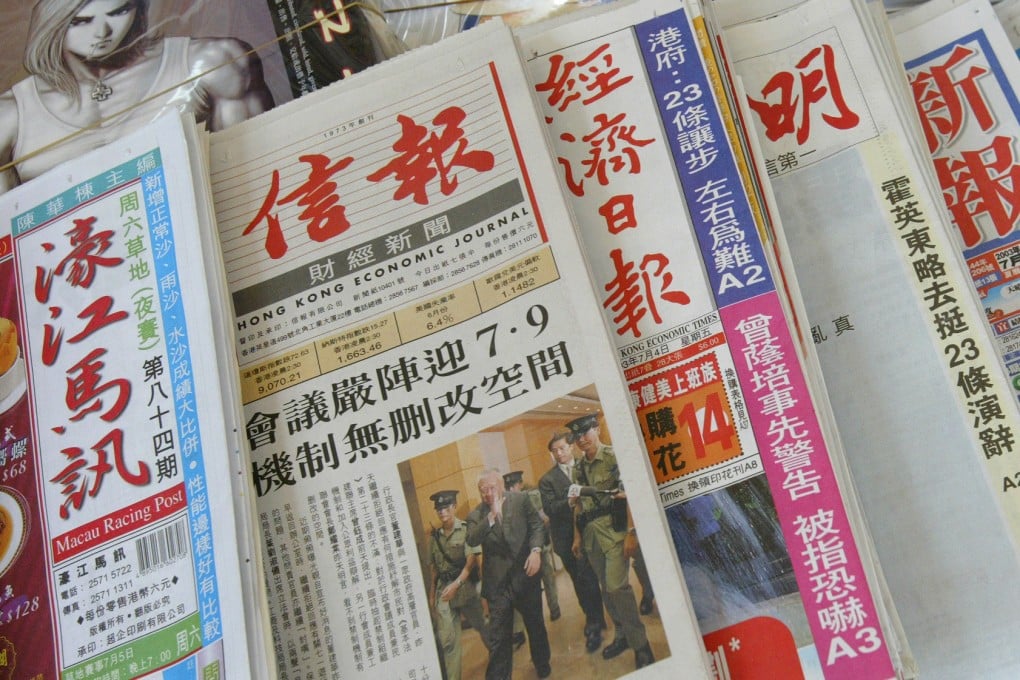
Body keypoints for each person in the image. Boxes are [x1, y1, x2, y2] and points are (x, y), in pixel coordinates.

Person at [0, 0, 275, 193]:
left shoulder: (215, 64)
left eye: (118, 12)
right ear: (52, 22)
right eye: (81, 21)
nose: (102, 32)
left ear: (138, 8)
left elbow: (259, 180)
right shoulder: (10, 116)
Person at [567, 412, 655, 670]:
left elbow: (632, 496)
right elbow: (579, 505)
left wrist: (631, 532)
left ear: (597, 430)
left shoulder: (614, 457)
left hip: (615, 532)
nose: (582, 439)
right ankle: (623, 635)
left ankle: (642, 646)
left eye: (586, 432)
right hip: (593, 537)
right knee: (606, 590)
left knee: (618, 588)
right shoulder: (579, 468)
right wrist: (577, 536)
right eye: (577, 436)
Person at [466, 468, 551, 680]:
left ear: (501, 486)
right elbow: (472, 539)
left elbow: (537, 527)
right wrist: (492, 517)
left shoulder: (520, 500)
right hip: (498, 586)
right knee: (499, 639)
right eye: (482, 490)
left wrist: (535, 551)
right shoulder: (476, 515)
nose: (488, 493)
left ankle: (542, 664)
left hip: (525, 576)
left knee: (535, 625)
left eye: (491, 487)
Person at [539, 430, 608, 653]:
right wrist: (570, 501)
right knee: (582, 580)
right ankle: (594, 620)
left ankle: (599, 617)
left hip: (595, 532)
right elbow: (550, 509)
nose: (559, 453)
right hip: (567, 539)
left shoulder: (585, 465)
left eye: (562, 448)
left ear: (571, 447)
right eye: (554, 451)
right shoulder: (547, 480)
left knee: (603, 576)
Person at [426, 490, 490, 680]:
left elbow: (472, 561)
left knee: (482, 624)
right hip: (443, 591)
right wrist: (432, 594)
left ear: (454, 507)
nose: (442, 512)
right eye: (439, 509)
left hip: (464, 587)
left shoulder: (465, 529)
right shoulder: (434, 537)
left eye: (446, 508)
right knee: (448, 641)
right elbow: (434, 570)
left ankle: (499, 654)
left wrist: (459, 584)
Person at [503, 469, 560, 621]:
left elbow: (545, 517)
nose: (510, 490)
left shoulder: (533, 496)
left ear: (520, 484)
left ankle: (554, 608)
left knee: (548, 577)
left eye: (513, 486)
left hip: (538, 545)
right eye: (508, 487)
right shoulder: (507, 503)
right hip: (522, 550)